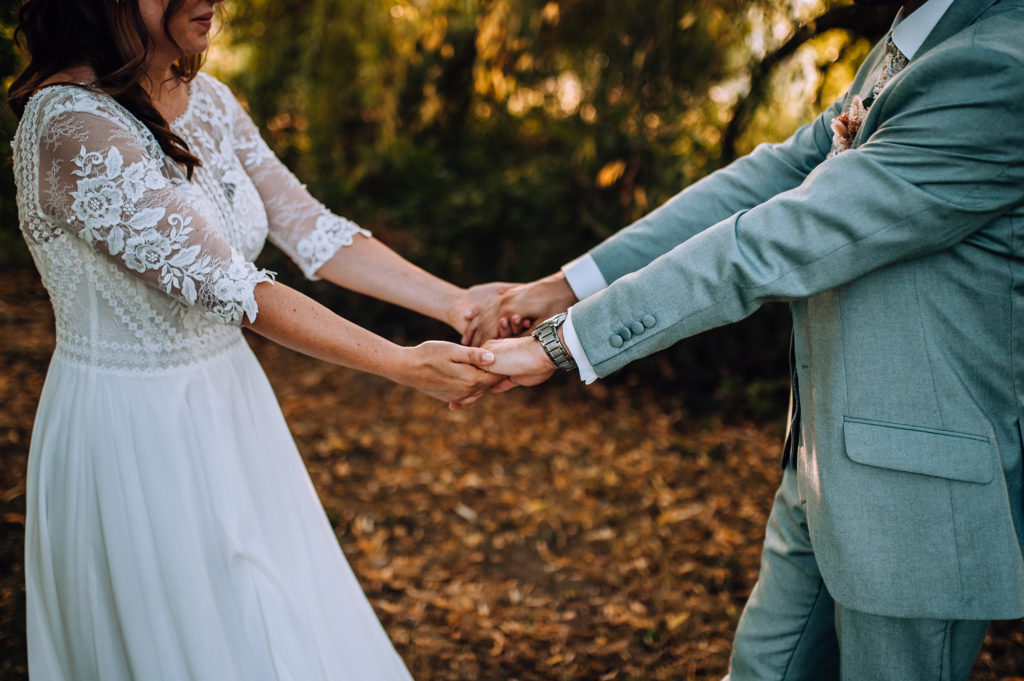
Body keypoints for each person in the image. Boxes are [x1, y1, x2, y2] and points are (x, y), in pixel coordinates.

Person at [463, 0, 1024, 678]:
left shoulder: (999, 66)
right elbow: (769, 177)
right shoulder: (915, 37)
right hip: (823, 462)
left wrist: (566, 341)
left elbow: (782, 237)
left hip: (918, 497)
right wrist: (565, 286)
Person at [8, 0, 508, 678]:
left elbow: (308, 227)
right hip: (135, 433)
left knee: (284, 622)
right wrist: (401, 362)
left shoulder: (207, 99)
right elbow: (233, 286)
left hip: (233, 405)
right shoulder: (69, 125)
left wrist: (456, 302)